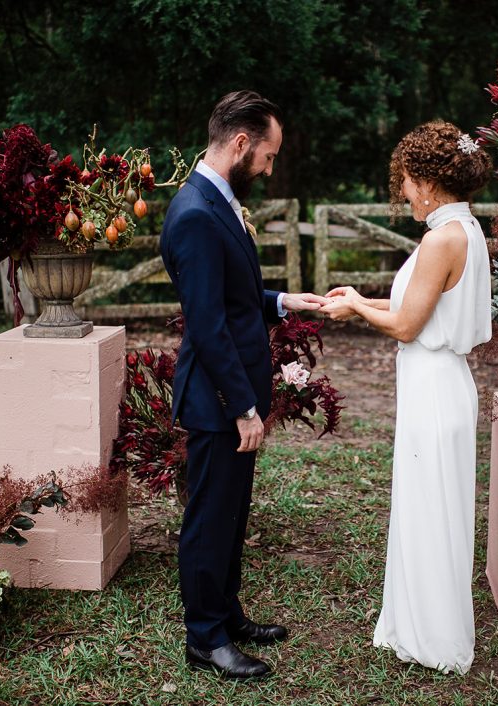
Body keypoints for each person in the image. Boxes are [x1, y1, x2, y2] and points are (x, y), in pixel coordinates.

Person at [159, 90, 328, 679]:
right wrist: (242, 409)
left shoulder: (217, 200)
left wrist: (281, 300)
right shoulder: (197, 213)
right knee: (208, 520)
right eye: (267, 155)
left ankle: (226, 614)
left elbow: (230, 300)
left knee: (231, 515)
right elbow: (206, 326)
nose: (269, 167)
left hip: (230, 399)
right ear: (240, 143)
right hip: (217, 403)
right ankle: (204, 638)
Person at [322, 121, 493, 674]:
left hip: (433, 388)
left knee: (430, 511)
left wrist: (355, 308)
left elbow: (405, 326)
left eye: (406, 182)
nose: (404, 194)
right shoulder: (467, 227)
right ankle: (415, 623)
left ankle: (433, 638)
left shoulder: (440, 238)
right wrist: (361, 296)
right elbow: (416, 308)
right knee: (432, 509)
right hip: (443, 382)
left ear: (426, 179)